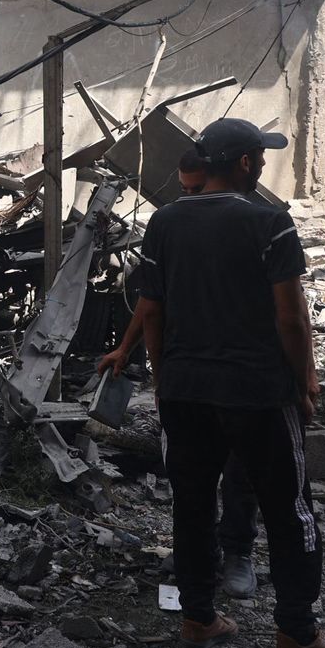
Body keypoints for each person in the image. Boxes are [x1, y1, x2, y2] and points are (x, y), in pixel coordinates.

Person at [140, 118, 325, 648]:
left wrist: (165, 379)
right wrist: (304, 380)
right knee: (290, 510)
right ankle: (298, 635)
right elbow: (292, 318)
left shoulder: (164, 222)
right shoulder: (269, 223)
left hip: (185, 390)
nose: (261, 163)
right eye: (259, 155)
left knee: (191, 505)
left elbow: (153, 310)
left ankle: (199, 619)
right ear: (245, 164)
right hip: (256, 391)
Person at [98, 148, 259, 599]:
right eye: (182, 189)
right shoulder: (170, 226)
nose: (188, 197)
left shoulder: (247, 224)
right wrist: (128, 350)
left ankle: (238, 553)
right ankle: (198, 551)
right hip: (184, 372)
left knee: (238, 467)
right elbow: (152, 301)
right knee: (189, 471)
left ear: (214, 180)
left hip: (234, 370)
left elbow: (285, 309)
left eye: (196, 188)